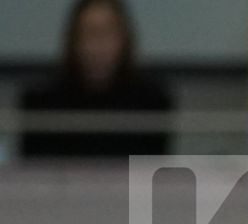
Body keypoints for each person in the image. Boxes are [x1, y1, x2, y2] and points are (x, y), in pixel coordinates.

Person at [21, 0, 172, 160]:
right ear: (73, 40)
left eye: (107, 33)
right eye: (89, 33)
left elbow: (155, 169)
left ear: (125, 39)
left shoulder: (151, 102)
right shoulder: (42, 103)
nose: (98, 44)